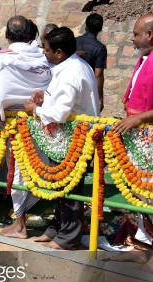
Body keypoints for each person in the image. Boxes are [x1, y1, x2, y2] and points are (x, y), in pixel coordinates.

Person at [24, 27, 99, 250]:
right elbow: (59, 101)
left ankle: (68, 236)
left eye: (46, 49)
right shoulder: (69, 66)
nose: (43, 53)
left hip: (75, 140)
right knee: (62, 188)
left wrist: (34, 110)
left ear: (58, 52)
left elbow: (61, 113)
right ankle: (58, 228)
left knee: (70, 190)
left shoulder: (72, 71)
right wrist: (43, 96)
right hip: (65, 139)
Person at [0, 16, 52, 238]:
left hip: (14, 124)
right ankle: (23, 219)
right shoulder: (43, 57)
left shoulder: (1, 59)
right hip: (39, 120)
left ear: (7, 35)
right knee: (34, 169)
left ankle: (20, 225)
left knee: (17, 173)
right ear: (31, 34)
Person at [112, 13, 153, 249]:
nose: (132, 39)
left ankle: (146, 242)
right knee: (137, 189)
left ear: (150, 35)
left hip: (147, 138)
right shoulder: (145, 58)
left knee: (147, 191)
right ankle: (139, 239)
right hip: (138, 139)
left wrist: (138, 118)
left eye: (136, 34)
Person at [76, 13, 107, 112]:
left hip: (72, 82)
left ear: (86, 26)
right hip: (87, 87)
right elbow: (98, 74)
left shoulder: (74, 41)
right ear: (100, 28)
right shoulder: (100, 48)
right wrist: (100, 98)